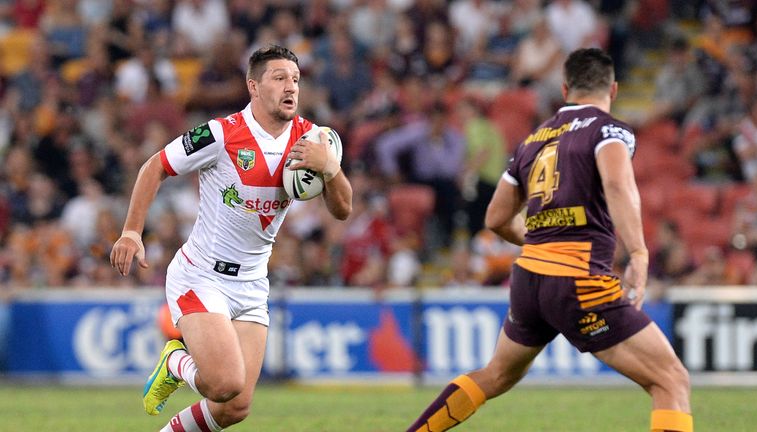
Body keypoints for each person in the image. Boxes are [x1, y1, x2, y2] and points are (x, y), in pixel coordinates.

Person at [405, 48, 692, 432]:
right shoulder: (609, 129)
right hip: (578, 276)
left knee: (496, 376)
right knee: (670, 379)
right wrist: (638, 253)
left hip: (529, 280)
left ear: (564, 88)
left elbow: (496, 218)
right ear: (614, 89)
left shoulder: (532, 141)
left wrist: (538, 240)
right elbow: (617, 183)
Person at [110, 45, 352, 431]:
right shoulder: (221, 135)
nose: (291, 87)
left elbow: (342, 209)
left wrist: (331, 169)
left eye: (295, 79)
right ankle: (176, 361)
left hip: (253, 284)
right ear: (253, 86)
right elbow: (155, 166)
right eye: (279, 78)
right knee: (223, 384)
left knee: (234, 408)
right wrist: (131, 232)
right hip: (202, 275)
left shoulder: (313, 140)